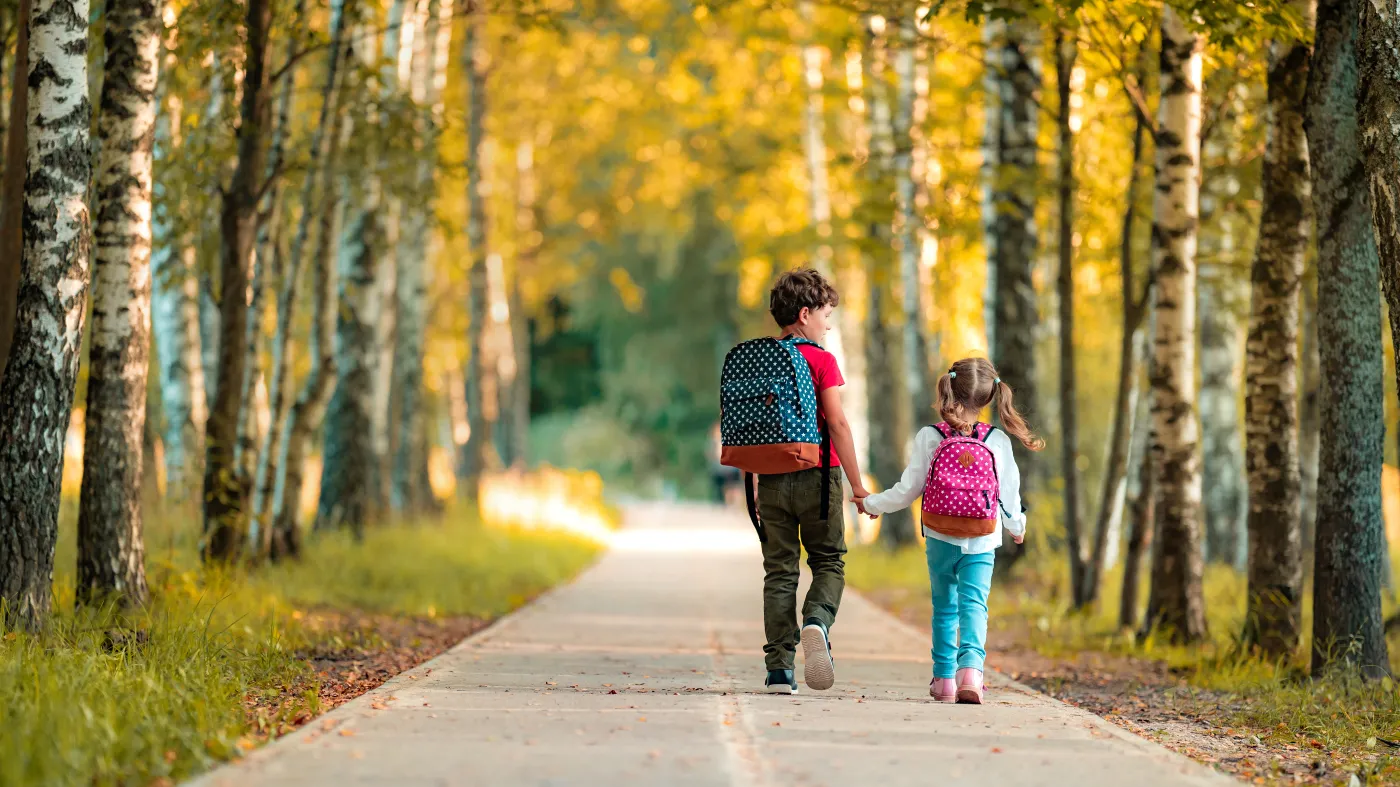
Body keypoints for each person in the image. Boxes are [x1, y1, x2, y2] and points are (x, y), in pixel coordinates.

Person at [852, 357, 1043, 704]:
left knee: (944, 607)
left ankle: (943, 680)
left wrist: (872, 504)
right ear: (989, 399)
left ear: (950, 388)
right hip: (983, 538)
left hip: (940, 535)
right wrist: (1017, 527)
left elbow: (908, 489)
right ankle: (970, 671)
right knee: (974, 605)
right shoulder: (997, 440)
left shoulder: (930, 436)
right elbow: (1010, 496)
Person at [756, 268, 870, 695]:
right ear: (804, 314)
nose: (828, 322)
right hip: (818, 478)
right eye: (825, 314)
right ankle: (818, 622)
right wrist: (858, 487)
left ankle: (779, 670)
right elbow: (837, 423)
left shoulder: (761, 358)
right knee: (827, 561)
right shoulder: (820, 358)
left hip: (770, 477)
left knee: (779, 571)